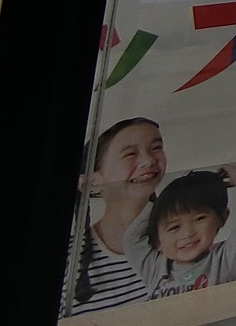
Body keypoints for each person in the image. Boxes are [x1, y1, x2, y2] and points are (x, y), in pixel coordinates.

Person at [68, 117, 165, 314]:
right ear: (92, 183)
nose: (148, 161)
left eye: (156, 148)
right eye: (130, 154)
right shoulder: (70, 260)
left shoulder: (187, 240)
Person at [123, 166, 236, 297]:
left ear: (222, 218)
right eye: (174, 227)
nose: (187, 234)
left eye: (199, 219)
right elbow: (132, 240)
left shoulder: (223, 260)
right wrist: (154, 204)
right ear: (158, 237)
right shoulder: (155, 268)